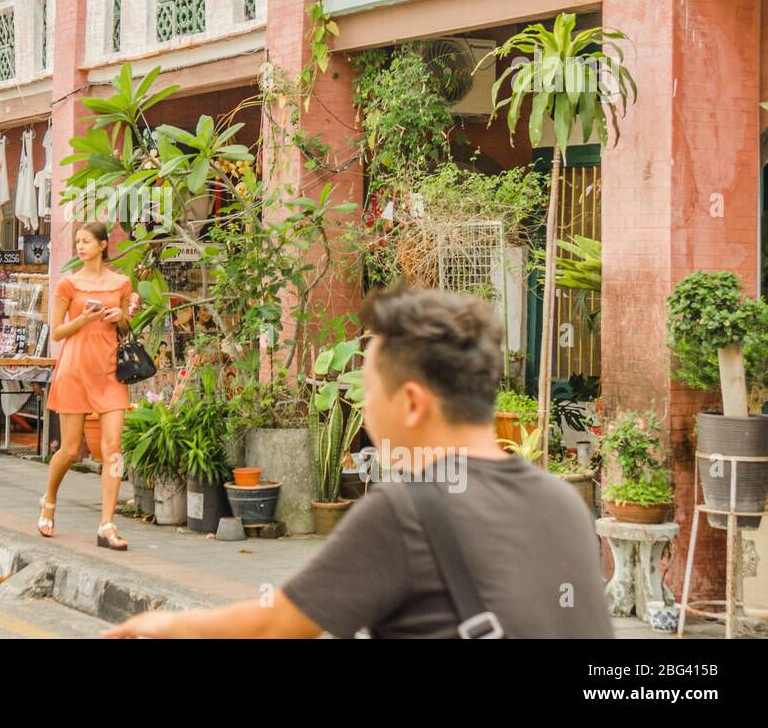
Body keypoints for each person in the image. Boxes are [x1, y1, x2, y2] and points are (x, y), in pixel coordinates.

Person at [105, 286, 614, 639]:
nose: (365, 408)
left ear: (412, 403)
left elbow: (275, 626)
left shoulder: (404, 512)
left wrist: (162, 624)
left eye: (370, 391)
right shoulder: (564, 502)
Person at [39, 222, 140, 550]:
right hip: (75, 371)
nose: (80, 247)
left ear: (102, 244)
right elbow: (56, 332)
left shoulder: (121, 282)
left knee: (113, 449)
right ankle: (49, 499)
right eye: (78, 242)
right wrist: (82, 319)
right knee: (69, 450)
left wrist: (118, 316)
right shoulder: (69, 284)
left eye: (86, 241)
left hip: (110, 371)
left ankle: (107, 524)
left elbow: (125, 324)